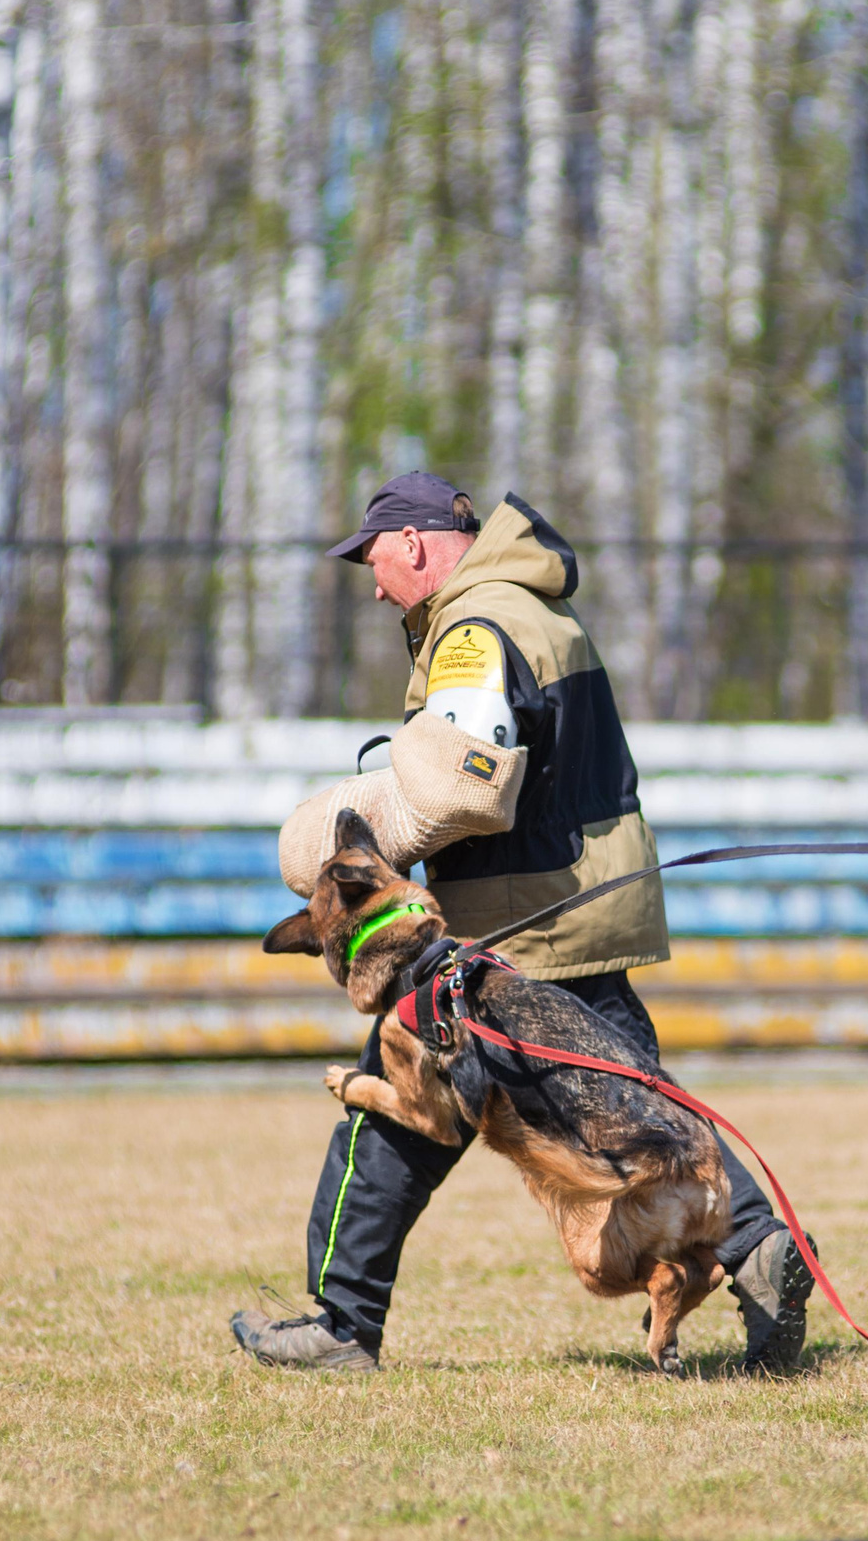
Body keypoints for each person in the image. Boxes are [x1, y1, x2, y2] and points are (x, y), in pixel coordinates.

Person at [230, 471, 815, 1374]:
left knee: (391, 1115)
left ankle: (342, 1324)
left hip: (521, 930)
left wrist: (355, 829)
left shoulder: (473, 632)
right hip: (587, 906)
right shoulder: (537, 606)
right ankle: (758, 1245)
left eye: (377, 561)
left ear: (417, 544)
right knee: (644, 1114)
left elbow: (464, 780)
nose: (376, 584)